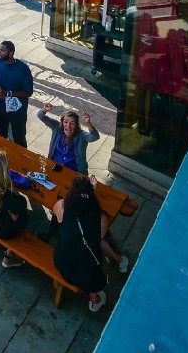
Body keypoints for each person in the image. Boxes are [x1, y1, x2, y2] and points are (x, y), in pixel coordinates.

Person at [52, 175, 128, 312]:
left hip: (62, 262)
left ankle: (119, 260)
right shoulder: (101, 218)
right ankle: (94, 299)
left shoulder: (61, 206)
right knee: (94, 247)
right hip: (84, 274)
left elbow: (55, 211)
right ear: (92, 198)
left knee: (81, 246)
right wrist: (91, 191)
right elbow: (96, 241)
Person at [0, 41, 33, 147]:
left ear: (11, 53)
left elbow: (28, 92)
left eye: (2, 51)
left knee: (19, 137)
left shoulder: (23, 69)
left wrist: (8, 93)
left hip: (18, 111)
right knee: (1, 134)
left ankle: (21, 160)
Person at [37, 105, 99, 175]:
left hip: (74, 172)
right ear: (62, 123)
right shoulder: (57, 127)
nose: (68, 126)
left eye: (72, 123)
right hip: (55, 166)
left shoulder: (81, 135)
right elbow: (40, 115)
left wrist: (88, 123)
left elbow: (95, 136)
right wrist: (44, 109)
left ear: (76, 125)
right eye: (65, 122)